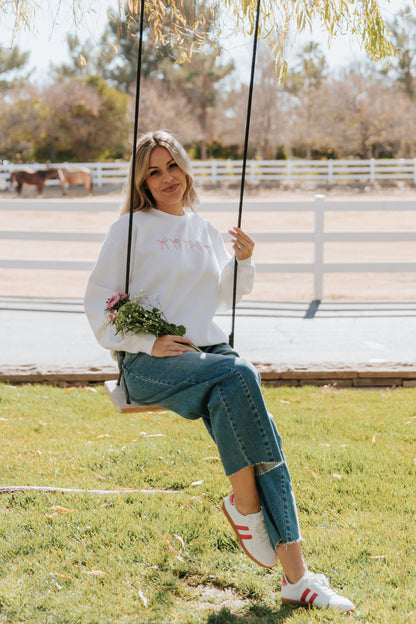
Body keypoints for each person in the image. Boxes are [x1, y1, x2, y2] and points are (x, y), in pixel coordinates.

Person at [84, 130, 355, 612]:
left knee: (263, 437)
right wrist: (148, 340)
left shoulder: (206, 231)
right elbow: (97, 302)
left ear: (186, 168)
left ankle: (298, 578)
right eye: (153, 170)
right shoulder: (129, 229)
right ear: (142, 181)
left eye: (172, 166)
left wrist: (244, 261)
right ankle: (244, 506)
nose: (167, 177)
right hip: (150, 366)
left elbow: (224, 295)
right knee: (241, 375)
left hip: (209, 360)